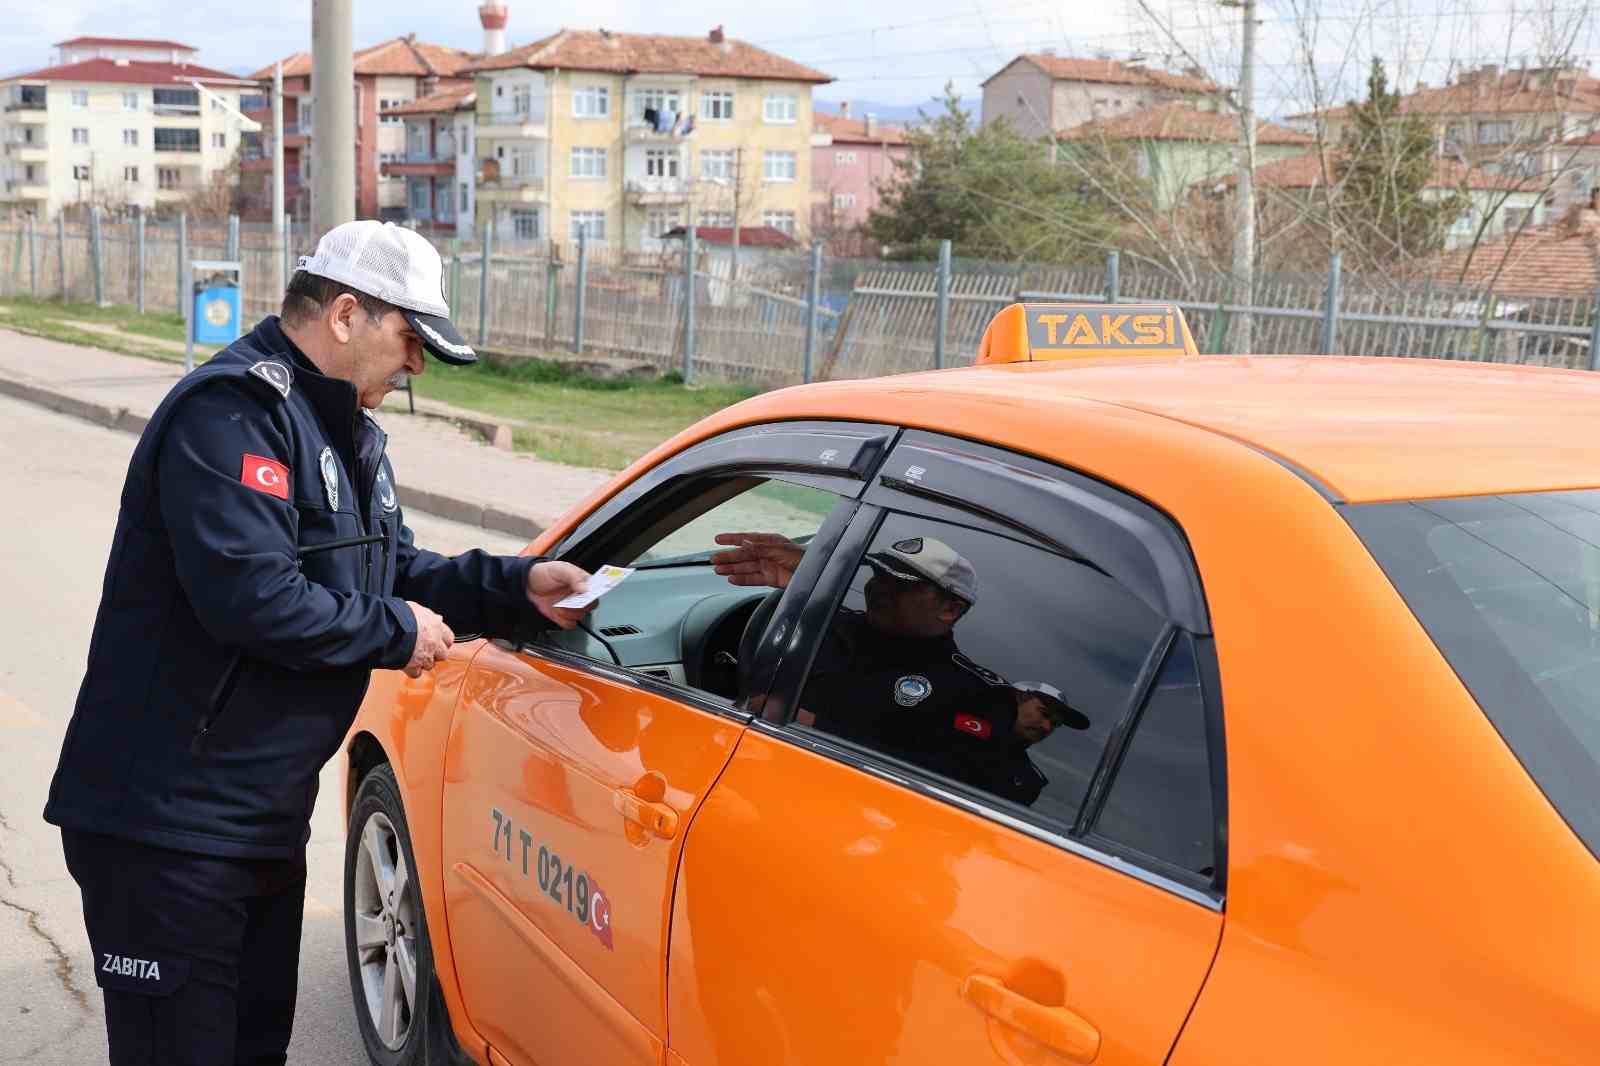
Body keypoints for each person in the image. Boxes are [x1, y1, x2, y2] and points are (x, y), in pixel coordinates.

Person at [42, 220, 592, 1066]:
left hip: (260, 815)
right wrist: (394, 633)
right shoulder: (232, 415)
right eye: (411, 339)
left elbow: (388, 565)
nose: (415, 365)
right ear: (345, 316)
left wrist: (514, 588)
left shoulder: (346, 431)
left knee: (253, 1047)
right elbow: (252, 597)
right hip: (167, 823)